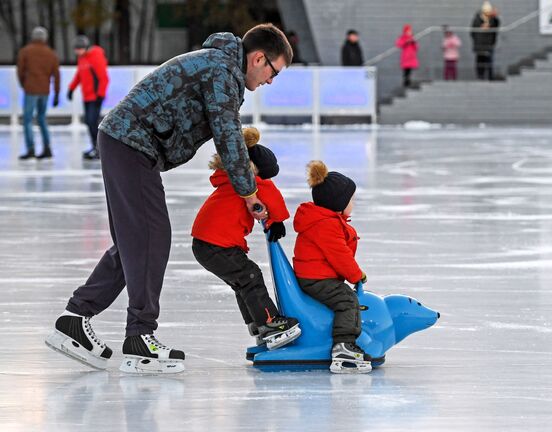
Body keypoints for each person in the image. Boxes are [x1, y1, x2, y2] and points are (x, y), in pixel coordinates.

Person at [45, 24, 293, 374]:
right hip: (131, 144)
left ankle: (75, 319)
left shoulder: (218, 65)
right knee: (150, 239)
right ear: (258, 58)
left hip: (124, 142)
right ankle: (140, 338)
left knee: (134, 243)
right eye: (273, 71)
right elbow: (228, 136)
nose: (271, 80)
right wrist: (249, 192)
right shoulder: (222, 71)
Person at [191, 127, 301, 350]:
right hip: (217, 244)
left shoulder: (230, 179)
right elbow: (272, 197)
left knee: (241, 282)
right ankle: (269, 323)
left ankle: (256, 322)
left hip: (204, 244)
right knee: (250, 277)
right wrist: (277, 220)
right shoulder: (250, 181)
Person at [293, 161, 371, 374]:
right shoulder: (326, 225)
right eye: (351, 200)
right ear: (339, 202)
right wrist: (356, 275)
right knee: (347, 301)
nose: (353, 204)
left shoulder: (324, 220)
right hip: (316, 278)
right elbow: (340, 256)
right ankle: (344, 345)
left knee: (345, 297)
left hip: (314, 274)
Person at [16, 26, 60, 160]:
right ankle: (47, 147)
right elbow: (56, 75)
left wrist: (24, 84)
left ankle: (31, 149)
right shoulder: (51, 53)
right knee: (41, 119)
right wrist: (56, 92)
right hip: (45, 91)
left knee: (28, 120)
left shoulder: (25, 51)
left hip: (30, 90)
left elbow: (20, 71)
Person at [67, 35, 109, 160]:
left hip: (95, 96)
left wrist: (100, 95)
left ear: (85, 47)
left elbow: (104, 78)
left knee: (92, 122)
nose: (77, 52)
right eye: (76, 49)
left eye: (79, 49)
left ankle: (100, 150)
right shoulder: (82, 58)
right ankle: (95, 147)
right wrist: (71, 88)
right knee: (89, 123)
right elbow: (79, 75)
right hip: (87, 97)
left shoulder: (96, 57)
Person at [471, 1, 500, 80]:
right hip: (479, 45)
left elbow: (496, 26)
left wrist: (494, 17)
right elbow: (472, 32)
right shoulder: (477, 19)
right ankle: (480, 77)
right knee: (480, 62)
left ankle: (490, 77)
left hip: (489, 45)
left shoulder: (492, 20)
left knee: (489, 62)